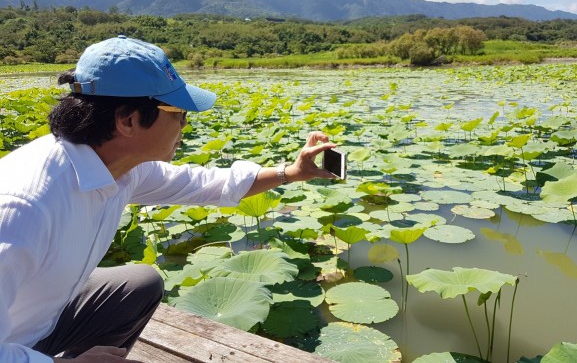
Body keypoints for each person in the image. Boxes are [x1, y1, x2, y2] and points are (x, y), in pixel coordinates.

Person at [0, 35, 337, 363]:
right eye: (178, 113)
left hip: (42, 320)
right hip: (11, 343)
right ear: (128, 120)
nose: (185, 125)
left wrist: (293, 172)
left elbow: (206, 184)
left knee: (139, 283)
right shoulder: (23, 206)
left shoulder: (120, 166)